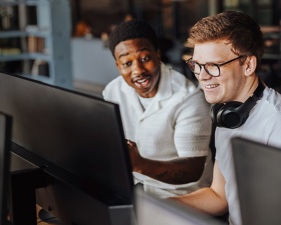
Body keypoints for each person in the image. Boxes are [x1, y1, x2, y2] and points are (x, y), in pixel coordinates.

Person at [171, 11, 281, 225]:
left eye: (214, 65)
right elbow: (219, 196)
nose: (202, 76)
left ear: (248, 65)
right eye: (196, 65)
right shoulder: (228, 113)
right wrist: (158, 206)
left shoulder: (276, 123)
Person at [102, 19, 214, 198]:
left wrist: (139, 164)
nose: (138, 70)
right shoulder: (113, 91)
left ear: (157, 55)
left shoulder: (189, 98)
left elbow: (193, 170)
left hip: (181, 195)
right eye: (127, 63)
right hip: (134, 188)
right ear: (117, 65)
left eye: (145, 58)